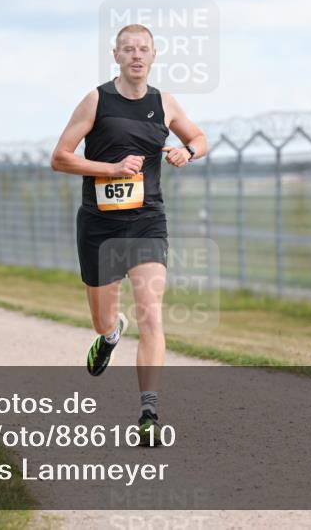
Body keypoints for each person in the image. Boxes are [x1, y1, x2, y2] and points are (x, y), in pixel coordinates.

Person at [50, 24, 207, 443]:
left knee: (151, 313)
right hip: (99, 224)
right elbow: (60, 158)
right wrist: (112, 169)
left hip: (147, 220)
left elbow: (199, 137)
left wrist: (187, 151)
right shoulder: (96, 100)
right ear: (116, 55)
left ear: (154, 55)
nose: (136, 55)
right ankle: (109, 335)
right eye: (128, 49)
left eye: (143, 49)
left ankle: (149, 413)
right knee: (102, 320)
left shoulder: (164, 102)